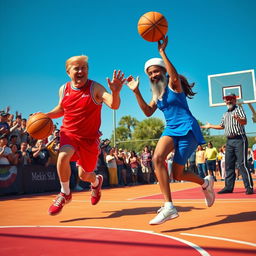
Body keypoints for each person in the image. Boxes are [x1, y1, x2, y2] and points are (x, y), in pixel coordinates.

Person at [126, 36, 215, 225]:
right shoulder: (157, 94)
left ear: (164, 72)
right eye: (150, 73)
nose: (152, 75)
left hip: (188, 130)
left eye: (156, 71)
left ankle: (205, 183)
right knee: (157, 158)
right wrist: (136, 91)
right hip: (171, 129)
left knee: (178, 174)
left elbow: (173, 75)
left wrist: (162, 53)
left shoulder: (174, 85)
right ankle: (169, 207)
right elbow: (148, 112)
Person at [41, 55, 125, 215]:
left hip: (89, 138)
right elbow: (61, 109)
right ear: (68, 72)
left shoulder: (96, 88)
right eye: (76, 68)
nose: (81, 71)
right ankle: (65, 193)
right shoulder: (64, 89)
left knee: (85, 174)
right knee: (62, 157)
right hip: (69, 133)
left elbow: (114, 105)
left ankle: (96, 182)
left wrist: (115, 92)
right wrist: (46, 115)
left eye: (84, 68)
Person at [201, 93, 254, 194]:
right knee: (229, 164)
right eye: (227, 99)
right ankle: (228, 187)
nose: (228, 101)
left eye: (230, 99)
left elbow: (245, 122)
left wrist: (239, 119)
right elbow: (222, 126)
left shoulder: (239, 109)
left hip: (239, 139)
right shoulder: (225, 114)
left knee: (242, 164)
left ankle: (249, 187)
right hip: (229, 141)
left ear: (235, 100)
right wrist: (210, 126)